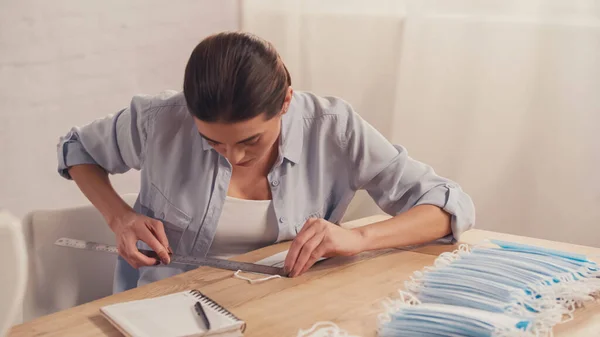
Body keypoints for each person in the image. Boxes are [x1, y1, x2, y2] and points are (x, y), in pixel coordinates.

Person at [56, 31, 475, 293]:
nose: (234, 157)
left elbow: (448, 205)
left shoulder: (334, 128)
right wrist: (120, 218)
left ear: (286, 101)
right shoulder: (159, 119)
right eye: (212, 141)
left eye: (250, 140)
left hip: (285, 307)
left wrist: (358, 239)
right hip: (165, 308)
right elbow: (77, 148)